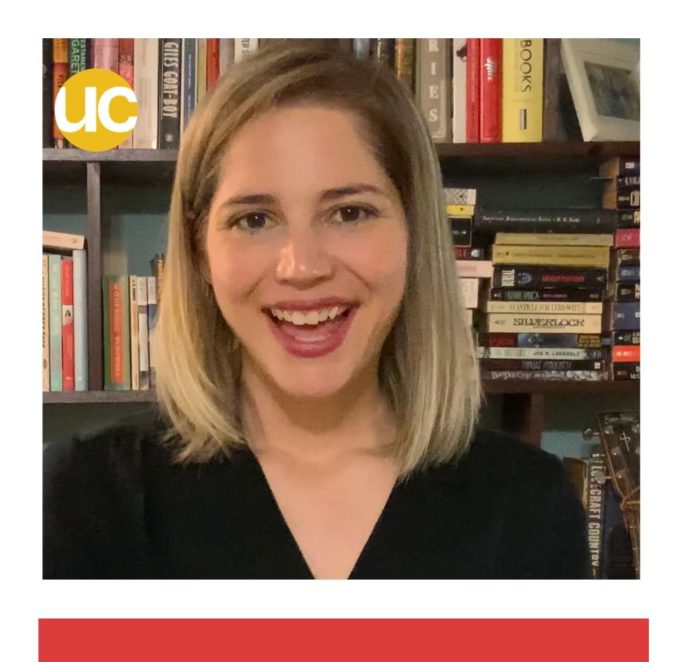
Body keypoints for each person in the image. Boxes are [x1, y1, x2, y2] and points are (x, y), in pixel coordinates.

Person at [44, 41, 590, 579]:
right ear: (199, 253)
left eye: (349, 212)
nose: (301, 267)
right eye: (254, 220)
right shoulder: (85, 496)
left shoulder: (529, 503)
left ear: (415, 235)